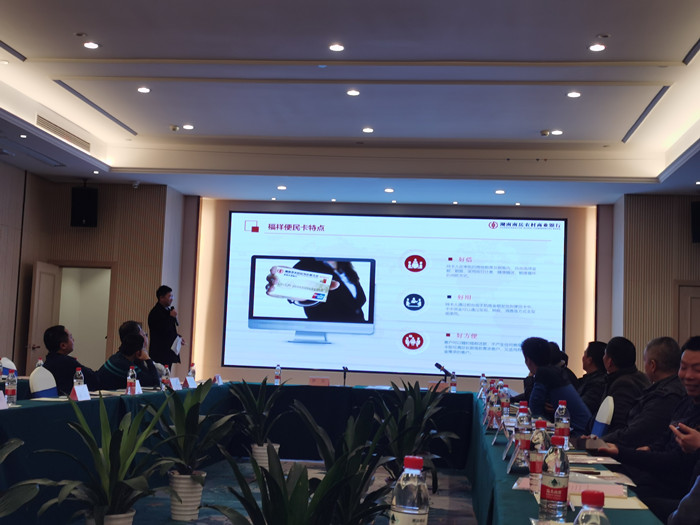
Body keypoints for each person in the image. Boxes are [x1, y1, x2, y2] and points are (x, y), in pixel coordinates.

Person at [596, 336, 700, 522]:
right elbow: (664, 440)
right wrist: (650, 449)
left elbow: (674, 462)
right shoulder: (686, 401)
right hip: (659, 480)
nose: (688, 375)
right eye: (683, 367)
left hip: (677, 495)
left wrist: (620, 451)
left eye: (697, 369)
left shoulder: (669, 395)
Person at [600, 336, 685, 448]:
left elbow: (637, 432)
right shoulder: (673, 388)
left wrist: (599, 441)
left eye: (645, 361)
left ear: (653, 365)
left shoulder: (665, 397)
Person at [521, 336, 592, 434]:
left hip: (576, 433)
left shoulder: (544, 373)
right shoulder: (555, 371)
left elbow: (535, 408)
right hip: (583, 428)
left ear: (528, 360)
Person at [266, 258, 367, 322]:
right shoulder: (307, 265)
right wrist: (295, 292)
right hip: (326, 331)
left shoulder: (346, 268)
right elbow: (300, 293)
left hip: (358, 330)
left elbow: (357, 302)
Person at [601, 336, 651, 433]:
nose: (603, 358)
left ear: (609, 362)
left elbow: (618, 425)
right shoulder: (641, 377)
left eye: (605, 354)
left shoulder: (622, 385)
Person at [97, 321, 160, 390]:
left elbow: (148, 378)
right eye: (144, 334)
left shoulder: (120, 357)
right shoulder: (124, 364)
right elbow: (155, 383)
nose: (146, 337)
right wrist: (148, 360)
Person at [42, 325, 100, 395]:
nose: (73, 340)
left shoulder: (49, 361)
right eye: (71, 337)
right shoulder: (67, 363)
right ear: (63, 345)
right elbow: (93, 379)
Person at [148, 285, 184, 368]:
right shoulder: (156, 312)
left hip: (168, 353)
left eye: (172, 296)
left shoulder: (168, 311)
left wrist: (178, 338)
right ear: (161, 298)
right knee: (161, 374)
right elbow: (162, 330)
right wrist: (171, 317)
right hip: (160, 353)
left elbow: (169, 330)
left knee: (167, 374)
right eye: (169, 296)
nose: (172, 298)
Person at [576, 341, 608, 416]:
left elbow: (580, 408)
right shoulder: (588, 379)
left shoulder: (598, 384)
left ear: (589, 360)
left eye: (584, 354)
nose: (582, 358)